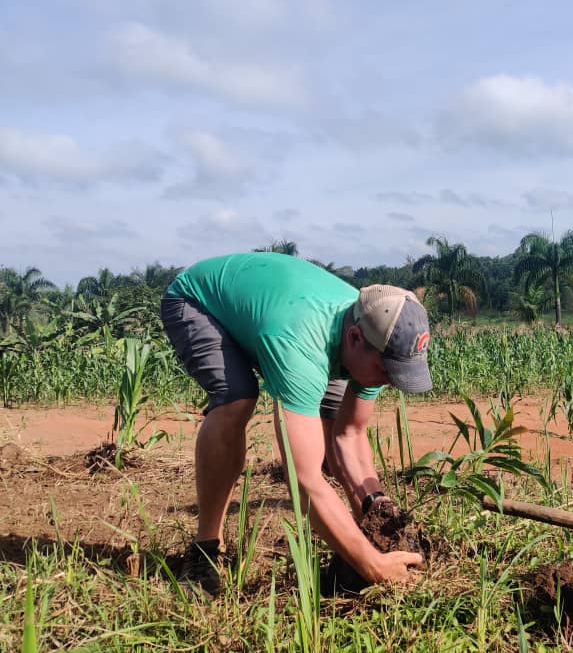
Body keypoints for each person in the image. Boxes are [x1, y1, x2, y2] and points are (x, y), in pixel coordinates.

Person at [160, 251, 430, 588]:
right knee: (237, 398)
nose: (389, 381)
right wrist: (372, 565)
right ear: (355, 339)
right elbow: (303, 480)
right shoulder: (301, 347)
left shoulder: (374, 331)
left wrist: (378, 508)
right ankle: (205, 550)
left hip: (275, 311)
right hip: (199, 301)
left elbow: (350, 434)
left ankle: (361, 535)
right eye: (386, 371)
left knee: (331, 419)